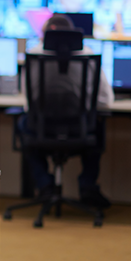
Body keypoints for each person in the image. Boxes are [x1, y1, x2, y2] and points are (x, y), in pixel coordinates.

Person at [23, 14, 114, 208]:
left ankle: (45, 185)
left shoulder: (33, 55)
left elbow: (26, 105)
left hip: (42, 131)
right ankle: (87, 187)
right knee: (98, 124)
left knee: (23, 125)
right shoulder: (88, 55)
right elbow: (106, 101)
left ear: (43, 35)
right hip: (79, 131)